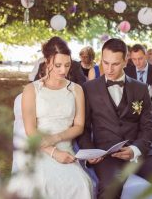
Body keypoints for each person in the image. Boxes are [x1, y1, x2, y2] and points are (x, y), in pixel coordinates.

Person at [78, 38, 152, 199]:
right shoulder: (88, 88)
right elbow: (83, 129)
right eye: (105, 63)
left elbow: (149, 126)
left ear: (126, 61)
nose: (109, 69)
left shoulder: (141, 88)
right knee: (108, 191)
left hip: (143, 152)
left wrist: (136, 149)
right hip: (107, 156)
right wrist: (90, 152)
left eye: (115, 64)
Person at [8, 36, 92, 198]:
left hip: (65, 148)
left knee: (80, 184)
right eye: (58, 65)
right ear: (47, 62)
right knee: (39, 183)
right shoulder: (31, 90)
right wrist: (53, 152)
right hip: (39, 150)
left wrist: (56, 139)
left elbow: (79, 125)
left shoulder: (76, 89)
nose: (63, 70)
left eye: (67, 65)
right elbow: (30, 130)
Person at [125, 44, 152, 146]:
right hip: (132, 106)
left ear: (146, 56)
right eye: (134, 59)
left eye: (140, 58)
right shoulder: (126, 71)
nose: (137, 62)